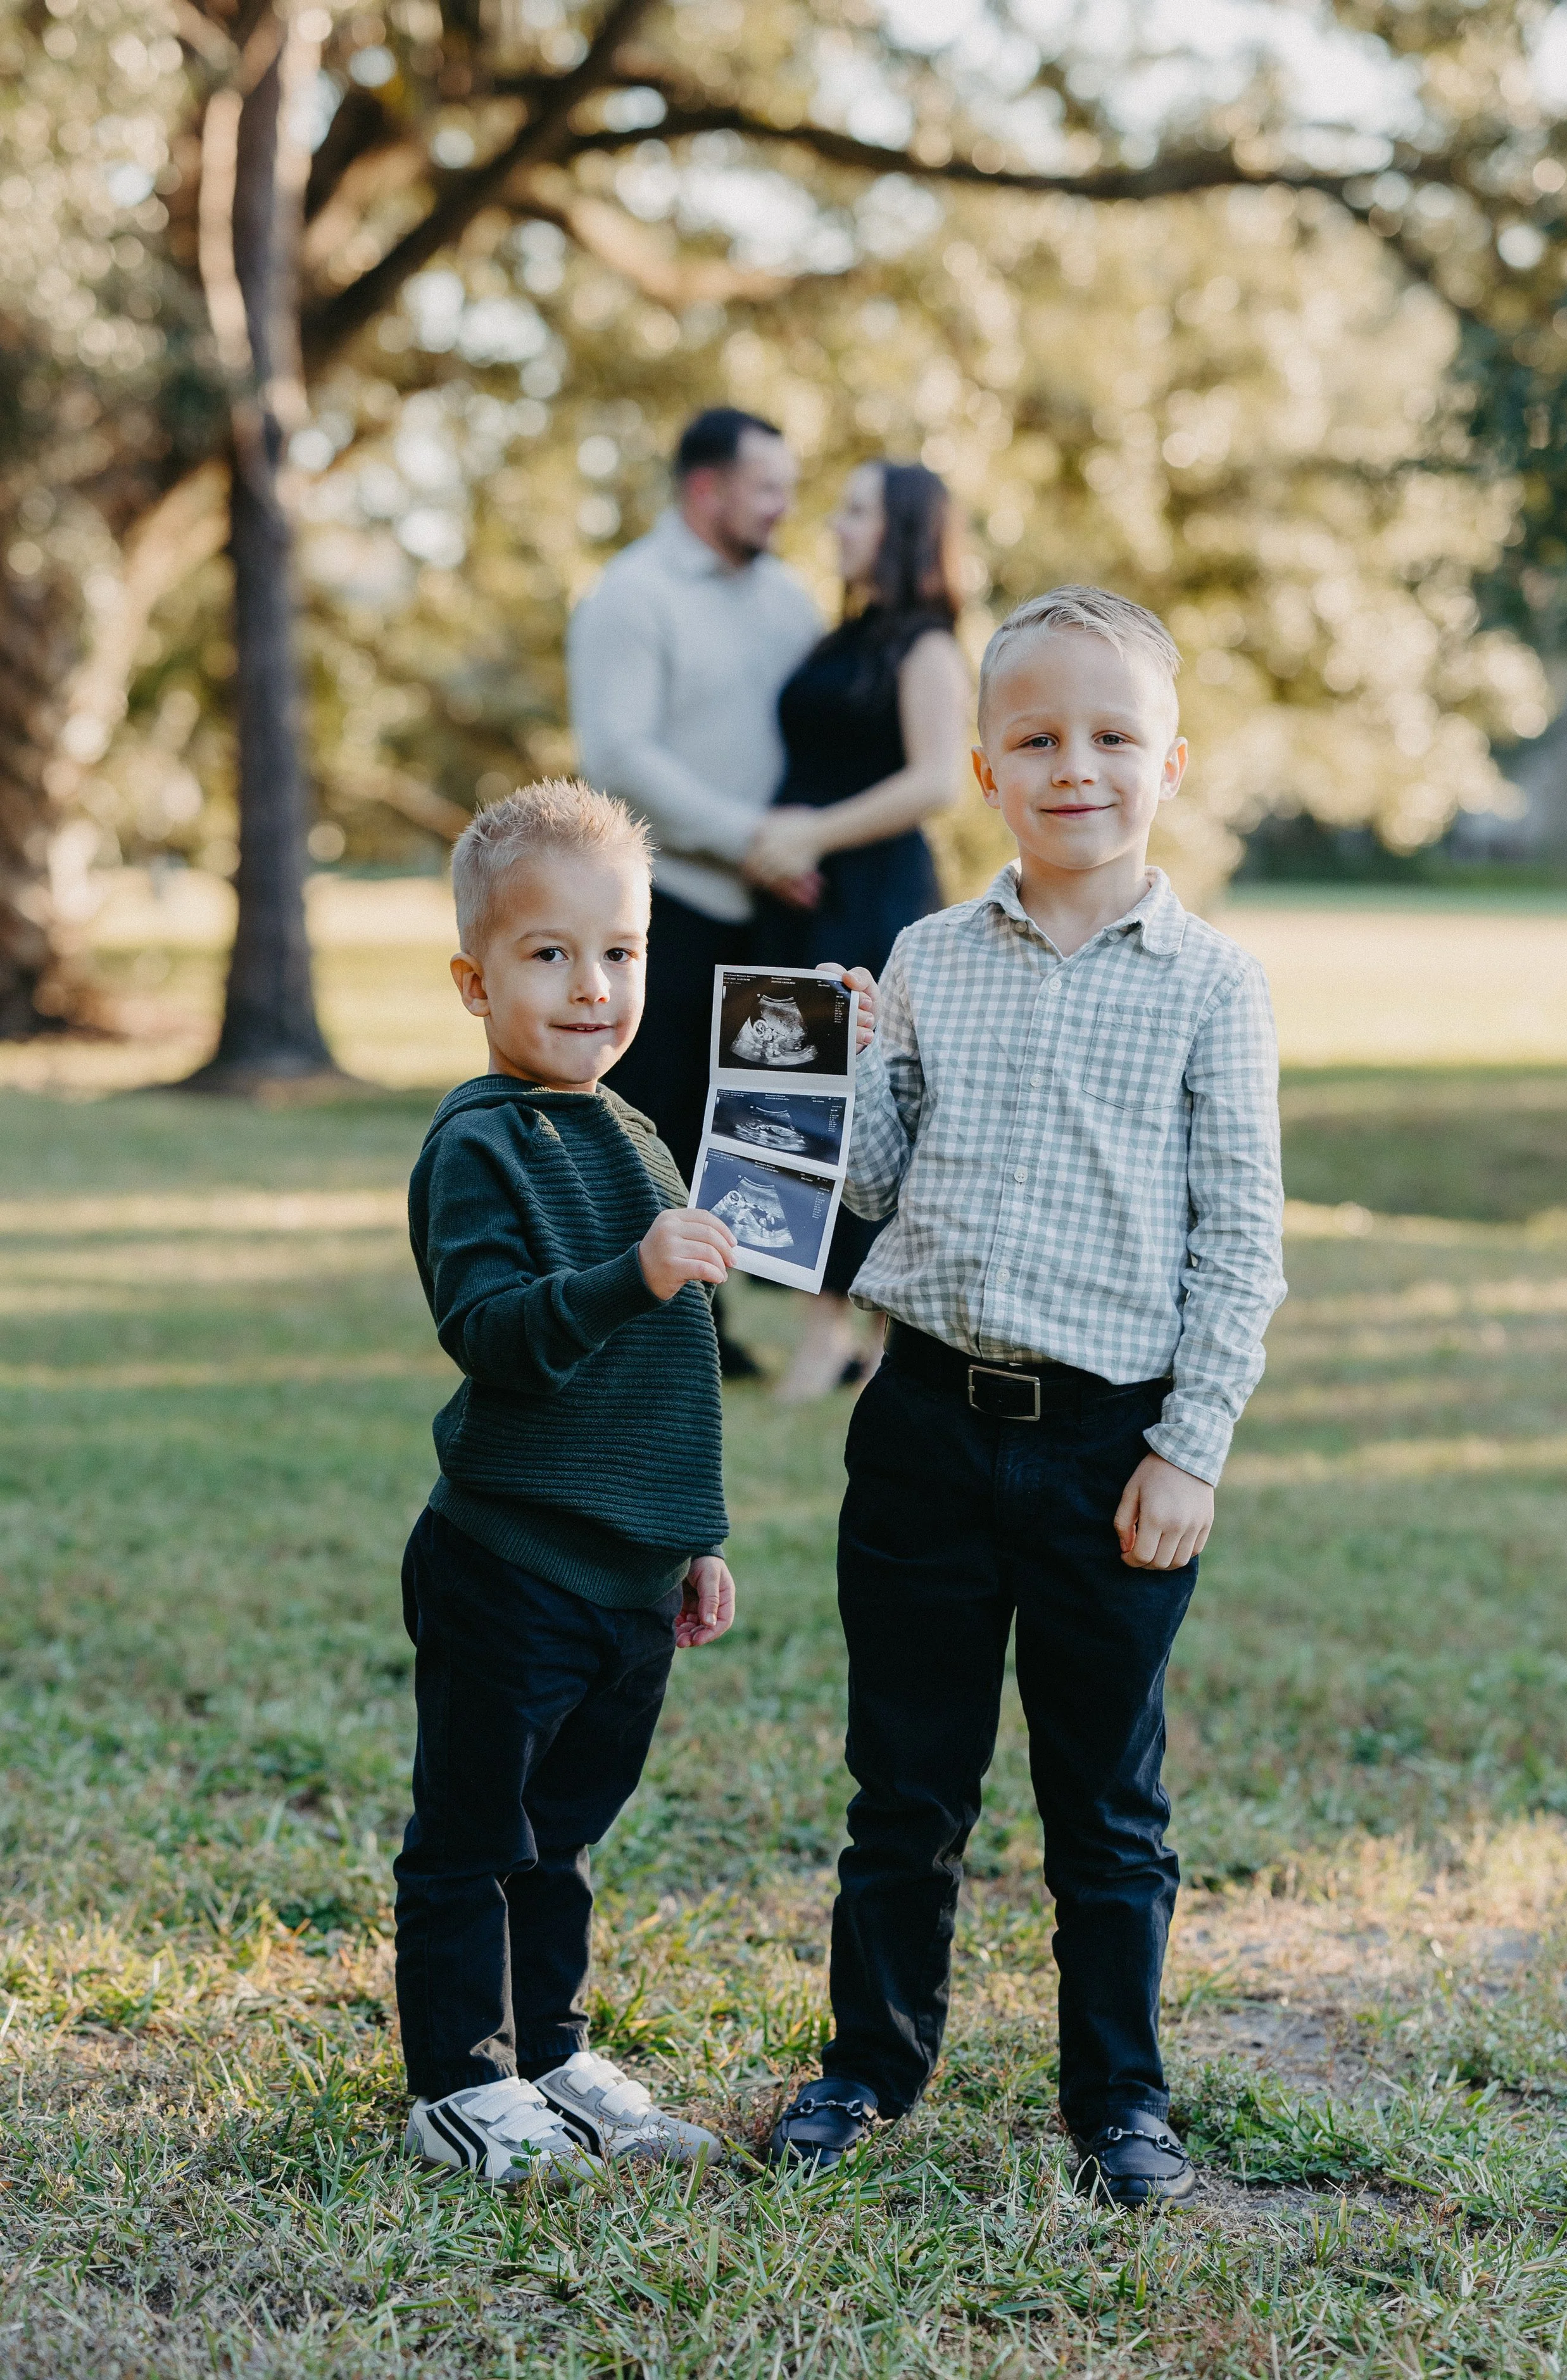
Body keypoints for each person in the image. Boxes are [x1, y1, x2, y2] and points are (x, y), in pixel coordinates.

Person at [771, 588, 1287, 2207]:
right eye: (1039, 739)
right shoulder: (924, 956)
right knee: (902, 1789)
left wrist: (1186, 1450)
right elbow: (862, 1188)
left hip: (1107, 1451)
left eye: (1112, 737)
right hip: (923, 1427)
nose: (1077, 766)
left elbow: (1240, 1241)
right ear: (986, 769)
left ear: (1169, 765)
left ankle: (1118, 2102)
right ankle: (867, 2066)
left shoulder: (1211, 984)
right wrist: (838, 1070)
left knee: (1105, 1810)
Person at [394, 779, 741, 2187]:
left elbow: (673, 1372)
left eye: (622, 952)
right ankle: (459, 2082)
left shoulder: (637, 1131)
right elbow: (493, 1332)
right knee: (475, 1834)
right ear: (476, 979)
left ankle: (553, 2050)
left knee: (566, 1836)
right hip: (507, 1564)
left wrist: (694, 1540)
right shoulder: (478, 1143)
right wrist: (632, 1268)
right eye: (550, 955)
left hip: (624, 1581)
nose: (593, 987)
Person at [567, 408, 824, 1376]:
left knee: (764, 1133)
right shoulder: (631, 596)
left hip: (781, 905)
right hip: (667, 901)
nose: (784, 506)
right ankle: (660, 1330)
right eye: (767, 487)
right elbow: (618, 755)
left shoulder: (790, 598)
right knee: (658, 1124)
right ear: (706, 489)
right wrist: (746, 838)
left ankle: (746, 1323)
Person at [749, 460, 970, 1402]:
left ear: (905, 529)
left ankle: (873, 1338)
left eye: (854, 512)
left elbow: (937, 782)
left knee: (871, 1104)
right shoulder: (838, 637)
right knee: (787, 1102)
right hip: (798, 902)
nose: (832, 526)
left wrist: (812, 832)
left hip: (877, 899)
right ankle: (817, 1326)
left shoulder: (927, 648)